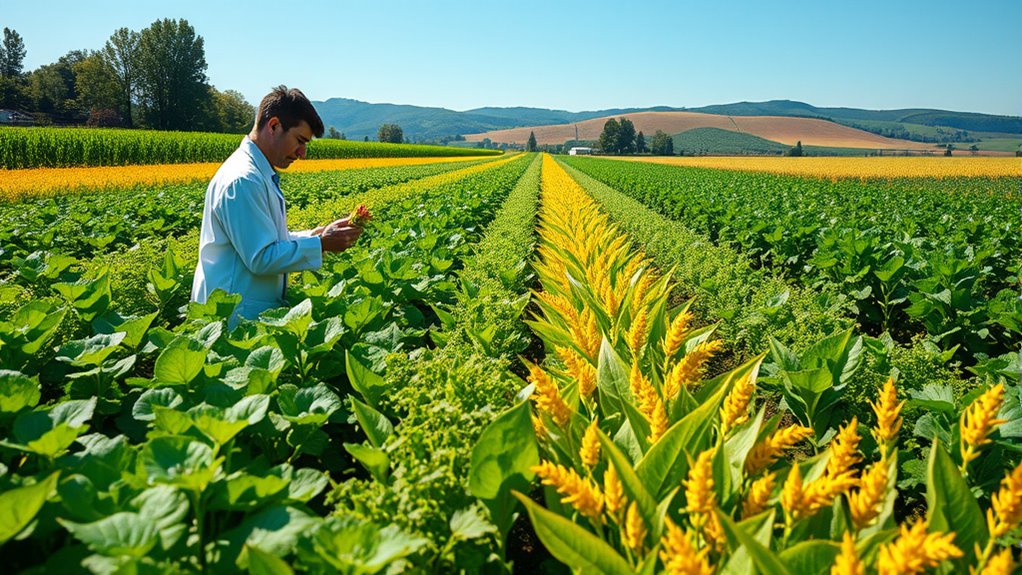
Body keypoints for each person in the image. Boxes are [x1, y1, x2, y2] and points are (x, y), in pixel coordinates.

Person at [191, 85, 362, 326]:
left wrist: (318, 234)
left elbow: (269, 241)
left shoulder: (256, 174)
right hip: (232, 318)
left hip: (243, 308)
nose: (302, 153)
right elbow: (261, 257)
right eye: (299, 140)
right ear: (273, 126)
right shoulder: (243, 180)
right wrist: (322, 244)